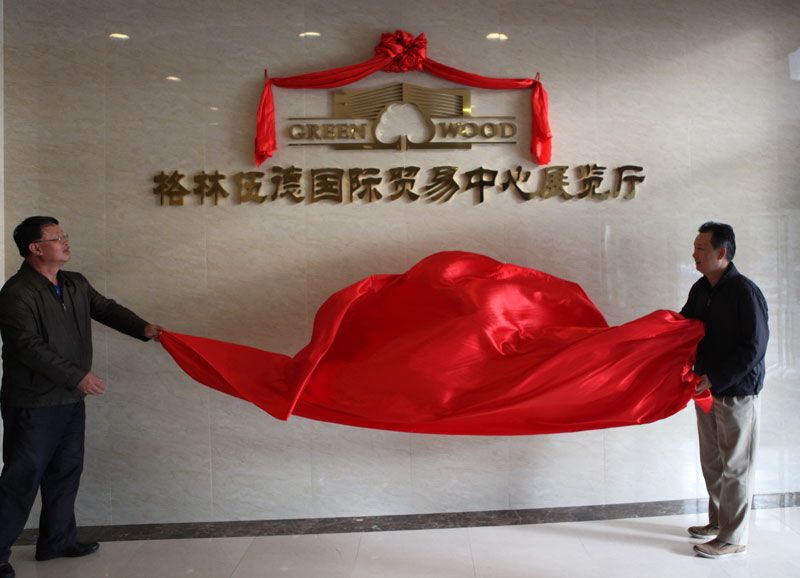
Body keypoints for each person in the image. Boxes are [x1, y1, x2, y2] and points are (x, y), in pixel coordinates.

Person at [0, 216, 163, 578]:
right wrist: (78, 376)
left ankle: (57, 541)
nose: (65, 241)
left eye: (64, 235)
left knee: (65, 472)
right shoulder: (16, 293)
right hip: (32, 402)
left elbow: (106, 308)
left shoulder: (74, 283)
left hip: (69, 400)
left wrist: (143, 327)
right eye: (57, 237)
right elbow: (28, 347)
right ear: (35, 248)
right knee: (22, 478)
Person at [680, 221, 768, 559]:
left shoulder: (745, 292)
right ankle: (718, 522)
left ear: (722, 252)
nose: (694, 254)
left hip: (736, 391)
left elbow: (754, 348)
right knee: (713, 461)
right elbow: (684, 328)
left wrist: (715, 377)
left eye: (700, 248)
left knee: (736, 465)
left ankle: (733, 538)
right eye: (695, 248)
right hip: (705, 390)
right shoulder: (701, 289)